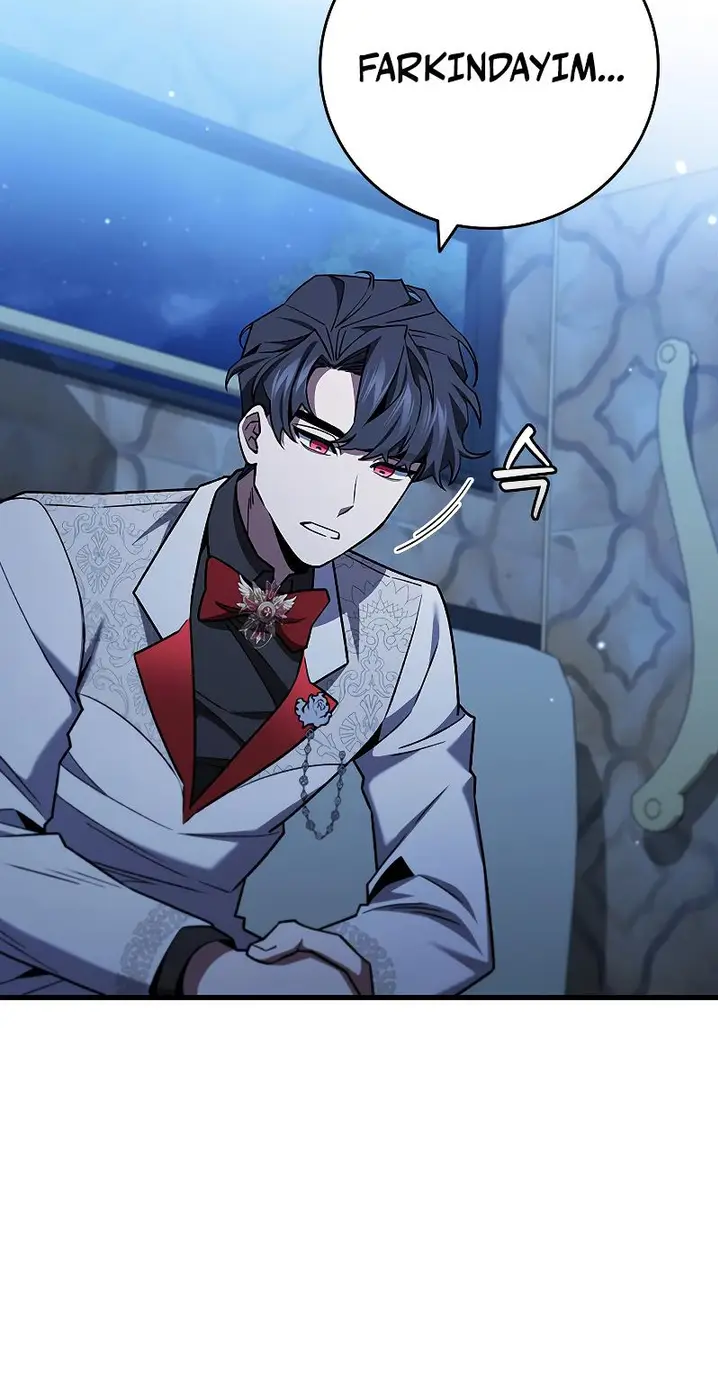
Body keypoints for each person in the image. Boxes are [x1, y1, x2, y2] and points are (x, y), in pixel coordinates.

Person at [0, 268, 493, 997]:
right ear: (256, 433)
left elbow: (450, 904)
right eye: (321, 444)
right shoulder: (52, 547)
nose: (349, 497)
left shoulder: (405, 624)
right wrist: (193, 963)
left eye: (388, 469)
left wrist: (349, 968)